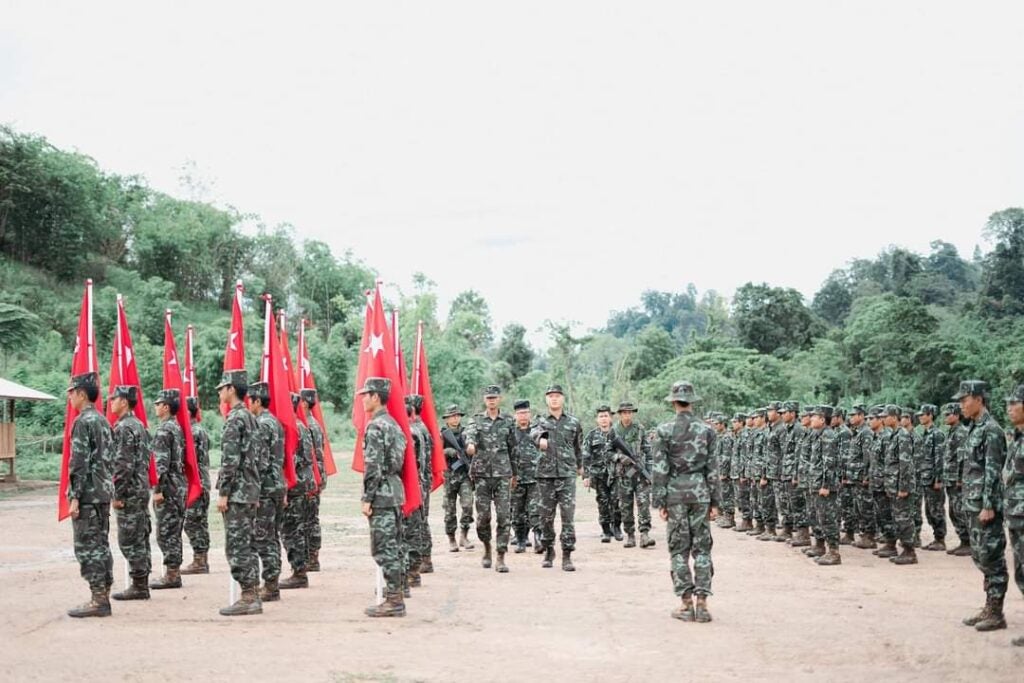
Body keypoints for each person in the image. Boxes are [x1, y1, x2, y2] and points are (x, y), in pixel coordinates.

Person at [651, 381, 718, 622]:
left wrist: (659, 502)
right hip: (700, 494)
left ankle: (686, 603)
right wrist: (715, 502)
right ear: (692, 401)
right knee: (702, 548)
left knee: (679, 550)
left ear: (673, 402)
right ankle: (703, 604)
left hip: (676, 495)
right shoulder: (707, 431)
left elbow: (660, 469)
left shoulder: (664, 431)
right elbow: (713, 469)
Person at [955, 380, 1009, 632]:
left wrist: (988, 504)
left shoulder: (991, 430)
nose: (962, 405)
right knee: (980, 556)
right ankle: (989, 605)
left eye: (965, 400)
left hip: (984, 505)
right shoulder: (974, 428)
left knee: (992, 556)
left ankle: (996, 612)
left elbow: (993, 471)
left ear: (979, 399)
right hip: (972, 502)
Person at [65, 372, 115, 618]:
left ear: (82, 394)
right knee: (101, 544)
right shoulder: (103, 421)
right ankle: (102, 592)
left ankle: (98, 599)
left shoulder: (83, 421)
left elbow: (79, 463)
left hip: (88, 495)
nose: (70, 397)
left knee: (88, 547)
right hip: (102, 493)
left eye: (72, 392)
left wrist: (74, 496)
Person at [358, 377, 407, 618]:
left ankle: (394, 600)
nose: (363, 399)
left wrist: (367, 498)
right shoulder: (394, 424)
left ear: (376, 397)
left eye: (366, 395)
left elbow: (373, 466)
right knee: (394, 547)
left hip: (382, 494)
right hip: (395, 491)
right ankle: (395, 592)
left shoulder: (376, 426)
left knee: (384, 549)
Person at [215, 369, 263, 616]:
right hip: (249, 489)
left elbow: (230, 459)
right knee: (247, 543)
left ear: (231, 389)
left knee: (238, 546)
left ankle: (249, 596)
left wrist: (224, 491)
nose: (220, 392)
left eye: (223, 388)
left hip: (238, 492)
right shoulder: (249, 417)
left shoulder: (236, 419)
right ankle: (251, 592)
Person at [465, 385, 517, 573]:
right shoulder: (476, 420)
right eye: (488, 398)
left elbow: (514, 448)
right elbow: (469, 434)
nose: (492, 400)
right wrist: (470, 444)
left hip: (503, 474)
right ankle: (487, 547)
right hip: (481, 475)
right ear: (484, 400)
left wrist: (515, 473)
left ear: (499, 399)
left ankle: (501, 555)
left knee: (504, 516)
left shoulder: (509, 421)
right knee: (483, 518)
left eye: (494, 397)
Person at [531, 384, 584, 571]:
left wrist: (580, 467)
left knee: (567, 516)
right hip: (545, 476)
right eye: (550, 396)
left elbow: (578, 446)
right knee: (546, 517)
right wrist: (540, 439)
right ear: (546, 399)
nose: (554, 398)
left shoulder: (573, 422)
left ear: (563, 398)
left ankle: (567, 555)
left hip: (567, 475)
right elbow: (534, 434)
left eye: (557, 395)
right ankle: (548, 550)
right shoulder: (539, 421)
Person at [109, 385, 152, 601]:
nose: (111, 402)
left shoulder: (124, 427)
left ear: (124, 401)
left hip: (130, 491)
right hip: (140, 488)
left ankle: (139, 584)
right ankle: (141, 581)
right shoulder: (139, 425)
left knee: (129, 538)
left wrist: (117, 493)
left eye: (114, 399)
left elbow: (122, 464)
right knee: (140, 535)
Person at [249, 381, 286, 601]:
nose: (248, 405)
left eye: (250, 401)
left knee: (263, 538)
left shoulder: (262, 424)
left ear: (257, 401)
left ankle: (270, 585)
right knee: (272, 537)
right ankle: (272, 583)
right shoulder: (275, 422)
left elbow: (260, 461)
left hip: (265, 487)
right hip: (277, 485)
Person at [150, 389, 186, 590]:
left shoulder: (165, 430)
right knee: (174, 530)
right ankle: (174, 572)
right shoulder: (176, 427)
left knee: (166, 532)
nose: (155, 407)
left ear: (166, 407)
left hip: (169, 488)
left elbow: (161, 464)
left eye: (158, 403)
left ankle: (172, 574)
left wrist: (157, 489)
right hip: (178, 485)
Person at [280, 393, 315, 590]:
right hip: (303, 484)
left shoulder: (293, 429)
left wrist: (284, 487)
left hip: (296, 486)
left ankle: (299, 572)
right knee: (298, 528)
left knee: (292, 529)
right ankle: (300, 570)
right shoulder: (301, 425)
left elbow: (292, 461)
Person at [807, 405, 841, 565]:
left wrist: (825, 485)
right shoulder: (817, 434)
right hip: (816, 483)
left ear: (822, 419)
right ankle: (822, 547)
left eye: (814, 416)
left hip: (824, 485)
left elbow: (829, 463)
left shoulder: (828, 435)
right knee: (818, 517)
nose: (811, 419)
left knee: (828, 518)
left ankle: (834, 553)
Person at [1003, 384, 1024, 647]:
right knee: (1021, 571)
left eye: (1014, 403)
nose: (1009, 408)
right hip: (1016, 514)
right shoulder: (1016, 437)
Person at [403, 394, 431, 587]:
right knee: (420, 523)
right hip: (422, 481)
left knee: (414, 526)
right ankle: (424, 560)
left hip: (415, 483)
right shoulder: (422, 429)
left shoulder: (413, 431)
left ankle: (417, 564)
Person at [181, 397, 211, 574]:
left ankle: (200, 559)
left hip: (196, 483)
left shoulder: (193, 431)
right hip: (202, 481)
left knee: (193, 522)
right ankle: (202, 559)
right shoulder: (199, 430)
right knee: (200, 522)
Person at [582, 405, 621, 543]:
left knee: (616, 501)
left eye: (606, 416)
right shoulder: (592, 435)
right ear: (597, 419)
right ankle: (605, 530)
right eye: (601, 416)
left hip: (616, 474)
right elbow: (586, 456)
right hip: (598, 475)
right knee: (603, 502)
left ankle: (617, 527)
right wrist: (586, 475)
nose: (603, 419)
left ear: (611, 418)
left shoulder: (617, 434)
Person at [440, 405, 474, 552]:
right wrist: (448, 451)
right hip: (449, 475)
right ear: (447, 418)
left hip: (465, 475)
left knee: (467, 505)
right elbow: (435, 453)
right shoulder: (442, 434)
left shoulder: (467, 432)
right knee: (449, 509)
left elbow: (472, 448)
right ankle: (451, 538)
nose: (455, 418)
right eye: (452, 416)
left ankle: (464, 535)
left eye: (457, 416)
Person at [511, 399, 542, 553]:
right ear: (515, 415)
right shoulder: (510, 431)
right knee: (517, 512)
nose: (523, 416)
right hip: (516, 478)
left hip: (535, 477)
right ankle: (521, 540)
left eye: (525, 413)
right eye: (520, 413)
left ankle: (538, 538)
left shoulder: (538, 430)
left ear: (530, 414)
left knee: (535, 509)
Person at [302, 389, 327, 572]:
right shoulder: (315, 424)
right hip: (317, 476)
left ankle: (311, 557)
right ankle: (312, 556)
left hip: (311, 477)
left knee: (309, 519)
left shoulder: (308, 425)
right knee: (312, 518)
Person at [916, 404, 947, 551]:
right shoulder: (926, 434)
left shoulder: (937, 434)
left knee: (936, 509)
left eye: (923, 414)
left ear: (930, 415)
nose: (920, 417)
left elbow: (939, 458)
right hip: (926, 477)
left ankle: (940, 539)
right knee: (929, 510)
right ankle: (937, 538)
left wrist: (938, 479)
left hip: (933, 479)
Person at [943, 403, 972, 556]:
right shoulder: (952, 432)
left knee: (960, 511)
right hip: (950, 478)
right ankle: (964, 541)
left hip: (957, 480)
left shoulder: (961, 432)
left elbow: (962, 458)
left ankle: (968, 542)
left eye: (948, 414)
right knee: (954, 511)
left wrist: (960, 478)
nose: (945, 417)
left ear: (956, 415)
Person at [847, 405, 877, 550]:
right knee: (858, 507)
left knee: (866, 507)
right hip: (855, 476)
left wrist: (866, 476)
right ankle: (864, 534)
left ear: (861, 416)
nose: (851, 418)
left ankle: (870, 536)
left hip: (862, 477)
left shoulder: (865, 433)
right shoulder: (857, 432)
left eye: (854, 415)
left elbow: (868, 457)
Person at [713, 413, 735, 530]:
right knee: (722, 494)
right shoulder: (720, 436)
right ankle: (724, 515)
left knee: (727, 494)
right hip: (719, 468)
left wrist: (724, 472)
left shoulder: (727, 437)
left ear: (722, 424)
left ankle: (729, 517)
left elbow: (726, 456)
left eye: (717, 424)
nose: (715, 426)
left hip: (725, 470)